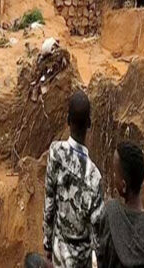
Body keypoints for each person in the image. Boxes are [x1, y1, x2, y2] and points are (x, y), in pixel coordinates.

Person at [44, 90, 104, 268]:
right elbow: (97, 235)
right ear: (89, 124)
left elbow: (49, 202)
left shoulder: (55, 153)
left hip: (58, 251)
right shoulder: (94, 177)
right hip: (81, 260)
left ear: (67, 120)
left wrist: (47, 243)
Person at [96, 141, 144, 268]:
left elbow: (101, 259)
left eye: (115, 173)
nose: (113, 175)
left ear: (123, 186)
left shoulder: (110, 214)